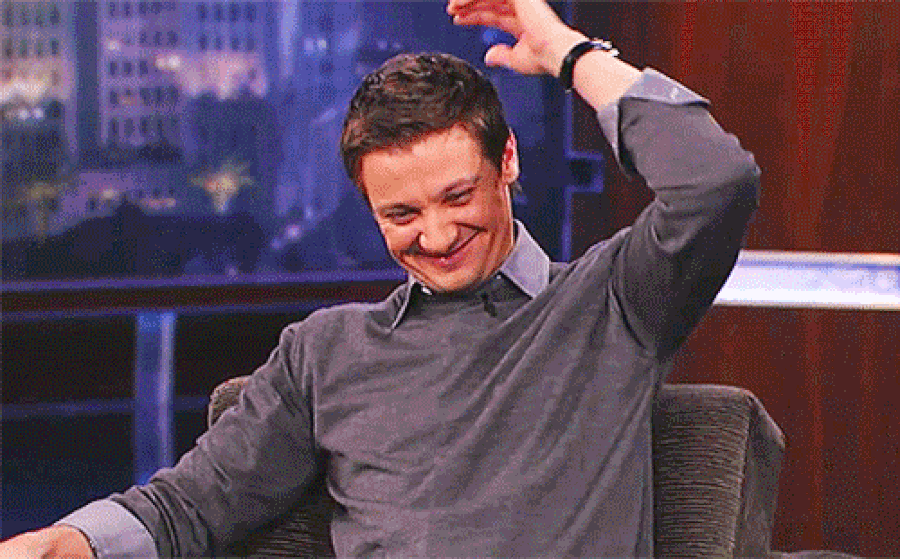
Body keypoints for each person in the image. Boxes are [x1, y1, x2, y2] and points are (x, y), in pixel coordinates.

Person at [0, 0, 760, 556]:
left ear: (507, 162)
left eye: (458, 197)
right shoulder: (324, 353)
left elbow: (716, 182)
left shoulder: (614, 301)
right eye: (402, 213)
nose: (437, 236)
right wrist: (69, 541)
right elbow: (191, 504)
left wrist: (567, 51)